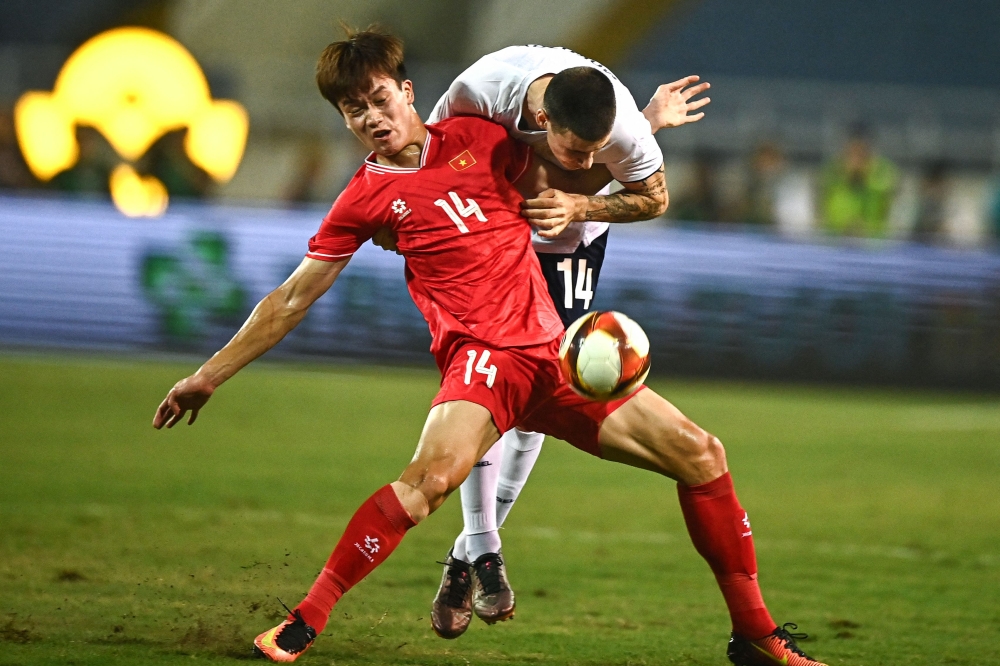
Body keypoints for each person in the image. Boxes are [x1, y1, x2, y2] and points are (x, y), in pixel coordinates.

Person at [152, 28, 826, 666]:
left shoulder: (481, 135)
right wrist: (208, 376)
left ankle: (755, 635)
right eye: (353, 111)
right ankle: (305, 620)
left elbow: (571, 172)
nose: (371, 117)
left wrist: (640, 126)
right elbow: (292, 298)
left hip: (553, 357)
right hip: (481, 360)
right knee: (428, 481)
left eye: (380, 98)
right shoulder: (363, 199)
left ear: (407, 92)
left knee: (703, 455)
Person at [379, 45, 710, 636]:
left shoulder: (621, 127)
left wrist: (584, 198)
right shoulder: (477, 92)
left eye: (595, 150)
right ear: (542, 121)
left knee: (535, 406)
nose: (585, 162)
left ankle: (464, 559)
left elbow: (655, 196)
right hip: (498, 242)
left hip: (576, 247)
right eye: (575, 150)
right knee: (487, 395)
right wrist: (403, 217)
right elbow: (430, 162)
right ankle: (482, 550)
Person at [820, 124, 898, 238]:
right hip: (834, 240)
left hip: (873, 242)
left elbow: (889, 195)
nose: (856, 158)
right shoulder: (832, 169)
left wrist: (865, 175)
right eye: (852, 151)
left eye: (861, 152)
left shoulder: (883, 170)